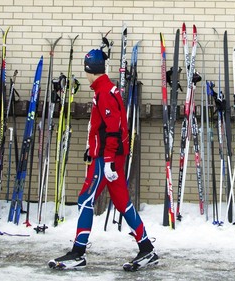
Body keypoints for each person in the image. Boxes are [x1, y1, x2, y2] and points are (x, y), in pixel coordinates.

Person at [48, 48, 159, 271]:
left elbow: (114, 128)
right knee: (122, 202)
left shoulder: (105, 92)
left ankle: (78, 253)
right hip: (108, 156)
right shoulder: (103, 88)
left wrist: (107, 159)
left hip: (107, 159)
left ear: (90, 69)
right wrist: (92, 147)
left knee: (85, 199)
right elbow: (100, 126)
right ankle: (147, 248)